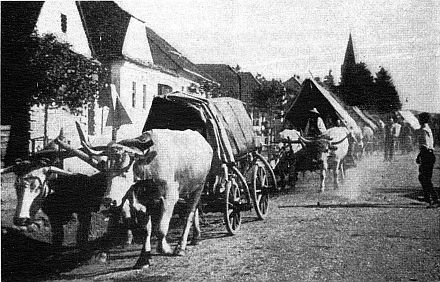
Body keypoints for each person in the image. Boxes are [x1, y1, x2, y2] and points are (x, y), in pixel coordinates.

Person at [416, 113, 438, 208]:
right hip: (429, 154)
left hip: (426, 155)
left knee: (425, 178)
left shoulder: (423, 130)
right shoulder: (427, 128)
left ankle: (434, 199)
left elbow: (425, 145)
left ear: (422, 120)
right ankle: (427, 197)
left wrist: (419, 155)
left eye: (419, 119)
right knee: (423, 177)